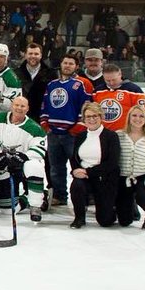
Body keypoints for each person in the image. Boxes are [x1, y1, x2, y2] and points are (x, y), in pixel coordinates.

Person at [40, 53, 93, 207]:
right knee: (56, 168)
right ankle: (60, 195)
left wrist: (78, 127)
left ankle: (86, 195)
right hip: (54, 133)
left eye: (71, 63)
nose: (67, 66)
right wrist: (45, 124)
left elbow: (87, 106)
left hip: (73, 134)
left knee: (79, 165)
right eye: (65, 63)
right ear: (61, 65)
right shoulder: (52, 84)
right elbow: (45, 106)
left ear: (77, 66)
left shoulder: (83, 83)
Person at [0, 94, 47, 217]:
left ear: (27, 109)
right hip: (4, 167)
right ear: (11, 106)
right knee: (8, 211)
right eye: (16, 105)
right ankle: (27, 197)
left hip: (22, 168)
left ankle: (35, 203)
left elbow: (39, 150)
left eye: (22, 106)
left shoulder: (35, 128)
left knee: (35, 165)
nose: (19, 108)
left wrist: (22, 157)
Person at [69, 102, 123, 229]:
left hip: (104, 179)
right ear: (84, 118)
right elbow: (74, 158)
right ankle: (79, 217)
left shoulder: (111, 136)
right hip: (85, 178)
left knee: (105, 221)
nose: (92, 119)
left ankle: (119, 205)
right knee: (77, 185)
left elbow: (112, 162)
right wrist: (75, 170)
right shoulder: (80, 136)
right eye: (88, 116)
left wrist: (88, 172)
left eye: (95, 116)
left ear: (101, 117)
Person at [118, 106, 145, 231]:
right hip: (124, 179)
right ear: (129, 117)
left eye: (141, 116)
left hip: (142, 177)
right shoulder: (119, 135)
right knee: (124, 221)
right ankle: (131, 206)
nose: (137, 119)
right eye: (134, 115)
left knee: (142, 197)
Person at [93, 63, 145, 131]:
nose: (111, 83)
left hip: (126, 132)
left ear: (120, 74)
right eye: (108, 80)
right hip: (102, 132)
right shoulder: (97, 91)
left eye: (114, 80)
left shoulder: (134, 90)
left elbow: (143, 112)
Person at [18, 43, 54, 122]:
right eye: (30, 53)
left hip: (42, 116)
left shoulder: (51, 74)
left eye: (36, 54)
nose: (33, 56)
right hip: (21, 115)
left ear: (41, 55)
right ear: (25, 55)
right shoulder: (16, 73)